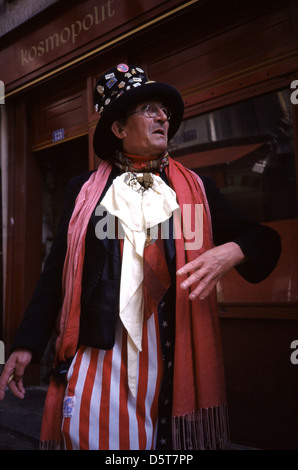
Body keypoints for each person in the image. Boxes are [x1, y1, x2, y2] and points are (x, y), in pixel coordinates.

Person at [0, 64, 281, 450]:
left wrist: (230, 252)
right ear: (118, 129)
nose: (163, 116)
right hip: (99, 356)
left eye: (163, 110)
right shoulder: (85, 192)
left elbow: (265, 239)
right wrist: (25, 344)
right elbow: (56, 275)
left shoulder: (197, 190)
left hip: (168, 359)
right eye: (149, 109)